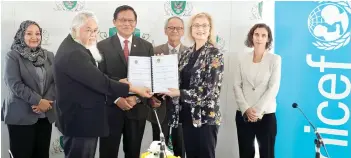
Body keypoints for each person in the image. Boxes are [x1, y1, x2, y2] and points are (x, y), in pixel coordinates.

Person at [53, 11, 152, 158]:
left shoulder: (75, 47)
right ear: (75, 29)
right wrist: (132, 87)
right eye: (88, 30)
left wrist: (120, 84)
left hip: (82, 119)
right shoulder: (75, 53)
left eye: (95, 30)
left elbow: (93, 78)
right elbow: (100, 82)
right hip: (81, 121)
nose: (93, 34)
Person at [97, 5, 160, 158]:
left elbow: (151, 79)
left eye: (130, 20)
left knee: (133, 152)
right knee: (108, 152)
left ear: (136, 23)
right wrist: (117, 98)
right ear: (114, 22)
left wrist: (136, 97)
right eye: (122, 20)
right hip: (111, 108)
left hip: (137, 108)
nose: (127, 23)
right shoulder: (101, 46)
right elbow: (99, 78)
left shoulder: (147, 47)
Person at [162, 12, 224, 158]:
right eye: (196, 25)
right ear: (191, 29)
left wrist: (179, 93)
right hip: (186, 115)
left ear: (210, 29)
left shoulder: (215, 54)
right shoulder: (186, 53)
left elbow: (210, 90)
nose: (200, 29)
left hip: (205, 117)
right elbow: (177, 80)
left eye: (204, 25)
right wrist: (161, 69)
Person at [2, 20, 56, 158]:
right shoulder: (13, 56)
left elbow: (55, 81)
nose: (34, 37)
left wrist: (46, 101)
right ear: (21, 35)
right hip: (21, 115)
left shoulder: (49, 56)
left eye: (37, 33)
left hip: (44, 115)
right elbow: (14, 84)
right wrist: (38, 101)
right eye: (29, 33)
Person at [233, 23, 281, 158]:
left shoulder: (275, 59)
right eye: (256, 34)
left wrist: (257, 111)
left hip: (266, 115)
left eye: (263, 35)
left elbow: (273, 87)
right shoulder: (242, 58)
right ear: (252, 37)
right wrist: (246, 109)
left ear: (268, 39)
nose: (259, 38)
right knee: (245, 153)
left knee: (267, 154)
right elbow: (236, 85)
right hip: (243, 114)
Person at [152, 16, 187, 158]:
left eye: (178, 28)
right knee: (158, 148)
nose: (174, 31)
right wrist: (152, 99)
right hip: (160, 106)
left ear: (183, 31)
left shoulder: (190, 53)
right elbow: (149, 79)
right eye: (171, 28)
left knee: (181, 147)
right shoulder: (154, 51)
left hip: (182, 108)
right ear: (165, 30)